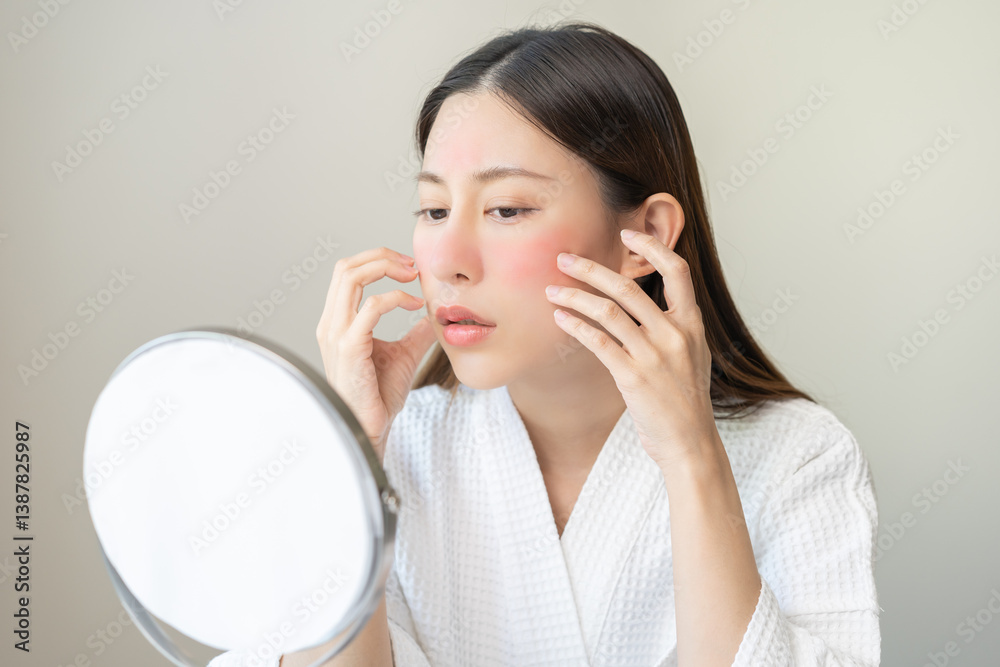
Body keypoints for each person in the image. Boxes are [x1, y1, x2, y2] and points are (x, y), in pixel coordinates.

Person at [214, 20, 881, 667]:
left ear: (645, 235)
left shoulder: (798, 455)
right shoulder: (398, 453)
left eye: (506, 209)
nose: (446, 260)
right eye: (434, 210)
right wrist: (352, 461)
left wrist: (691, 457)